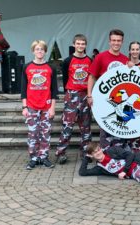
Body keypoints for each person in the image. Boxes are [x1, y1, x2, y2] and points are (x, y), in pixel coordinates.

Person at [87, 29, 129, 151]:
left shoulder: (125, 59)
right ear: (109, 41)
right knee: (105, 129)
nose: (116, 43)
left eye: (119, 40)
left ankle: (119, 155)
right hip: (104, 100)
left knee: (120, 127)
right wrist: (89, 95)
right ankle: (106, 157)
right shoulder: (100, 57)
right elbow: (92, 76)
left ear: (122, 42)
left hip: (120, 101)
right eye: (114, 40)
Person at [21, 40, 58, 170]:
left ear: (45, 51)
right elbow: (23, 88)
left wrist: (53, 107)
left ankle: (44, 157)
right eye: (37, 49)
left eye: (42, 49)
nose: (40, 51)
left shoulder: (50, 68)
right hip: (31, 106)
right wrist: (24, 106)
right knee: (32, 133)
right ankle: (33, 158)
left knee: (45, 133)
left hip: (46, 106)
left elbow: (54, 90)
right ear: (33, 51)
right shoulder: (27, 67)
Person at [56, 34, 92, 164]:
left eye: (83, 44)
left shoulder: (89, 60)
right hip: (71, 95)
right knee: (67, 125)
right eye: (78, 43)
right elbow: (65, 79)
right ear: (74, 44)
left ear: (85, 45)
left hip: (85, 95)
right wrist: (69, 94)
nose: (81, 46)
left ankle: (86, 153)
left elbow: (91, 79)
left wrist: (89, 95)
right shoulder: (67, 61)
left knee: (86, 126)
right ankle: (61, 153)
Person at [127, 41, 140, 152]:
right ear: (129, 51)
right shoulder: (124, 64)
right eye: (133, 49)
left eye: (137, 49)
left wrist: (138, 68)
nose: (135, 51)